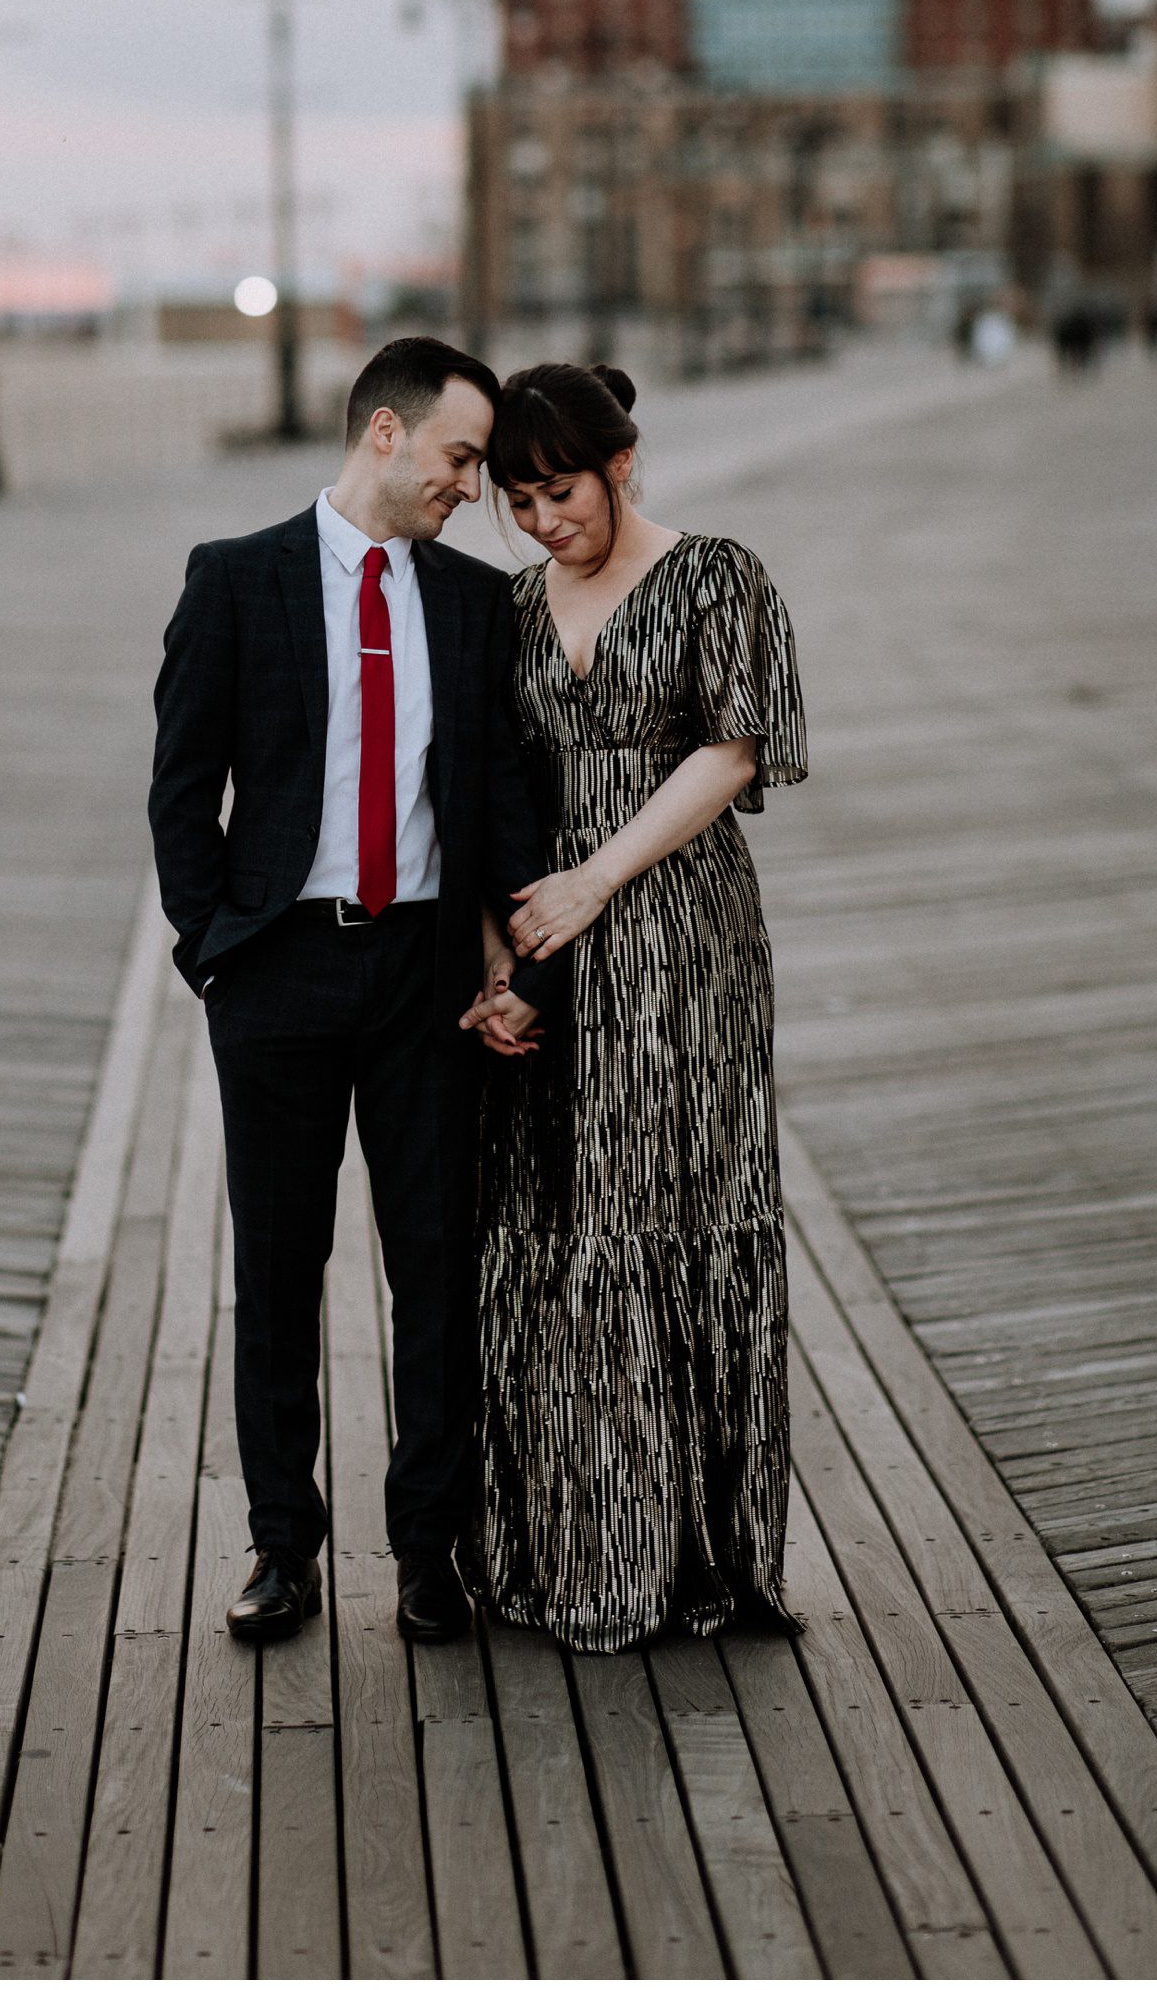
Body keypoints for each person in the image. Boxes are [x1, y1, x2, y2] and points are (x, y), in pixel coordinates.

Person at [149, 336, 563, 1651]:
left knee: (434, 1265)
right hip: (276, 970)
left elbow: (496, 798)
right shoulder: (236, 580)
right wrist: (216, 947)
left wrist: (511, 957)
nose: (469, 484)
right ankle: (283, 1547)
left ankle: (431, 1550)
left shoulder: (472, 600)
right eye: (456, 455)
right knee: (278, 1271)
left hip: (422, 976)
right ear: (383, 432)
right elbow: (180, 788)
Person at [460, 360, 806, 1651]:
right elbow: (490, 786)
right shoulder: (505, 610)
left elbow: (736, 745)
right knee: (560, 1217)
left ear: (623, 466)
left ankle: (692, 1556)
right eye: (518, 502)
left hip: (679, 933)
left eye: (561, 492)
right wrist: (498, 958)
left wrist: (603, 872)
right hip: (549, 935)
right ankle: (578, 1545)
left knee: (677, 1204)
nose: (544, 521)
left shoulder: (721, 576)